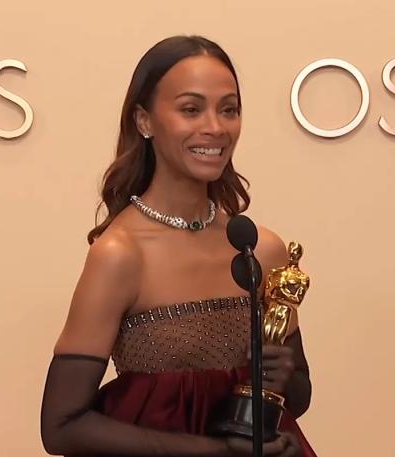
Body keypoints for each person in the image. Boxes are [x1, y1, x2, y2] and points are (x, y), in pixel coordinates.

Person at [40, 35, 315, 457]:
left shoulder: (261, 250)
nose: (216, 127)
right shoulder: (121, 254)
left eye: (229, 109)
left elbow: (298, 398)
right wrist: (217, 452)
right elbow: (61, 428)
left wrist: (281, 376)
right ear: (144, 121)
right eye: (191, 109)